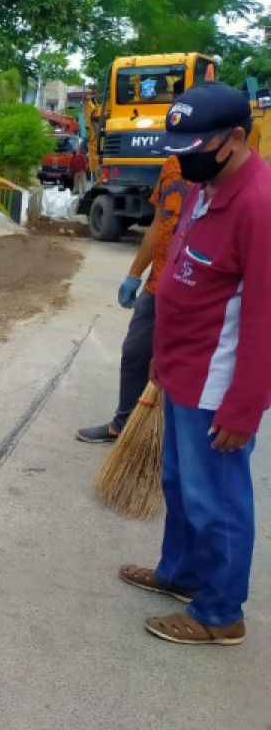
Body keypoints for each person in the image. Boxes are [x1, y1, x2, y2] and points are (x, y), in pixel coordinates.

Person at [118, 81, 271, 646]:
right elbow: (183, 270)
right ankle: (180, 573)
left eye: (195, 147)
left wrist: (245, 405)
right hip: (182, 367)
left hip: (218, 383)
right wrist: (160, 354)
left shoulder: (259, 203)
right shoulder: (205, 183)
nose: (184, 159)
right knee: (180, 483)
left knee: (217, 500)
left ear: (237, 138)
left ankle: (220, 613)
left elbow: (265, 316)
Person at [76, 156, 190, 442]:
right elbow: (158, 223)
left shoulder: (223, 172)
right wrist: (135, 273)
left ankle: (176, 439)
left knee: (181, 367)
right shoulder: (172, 165)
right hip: (157, 285)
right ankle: (123, 424)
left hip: (193, 287)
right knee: (136, 353)